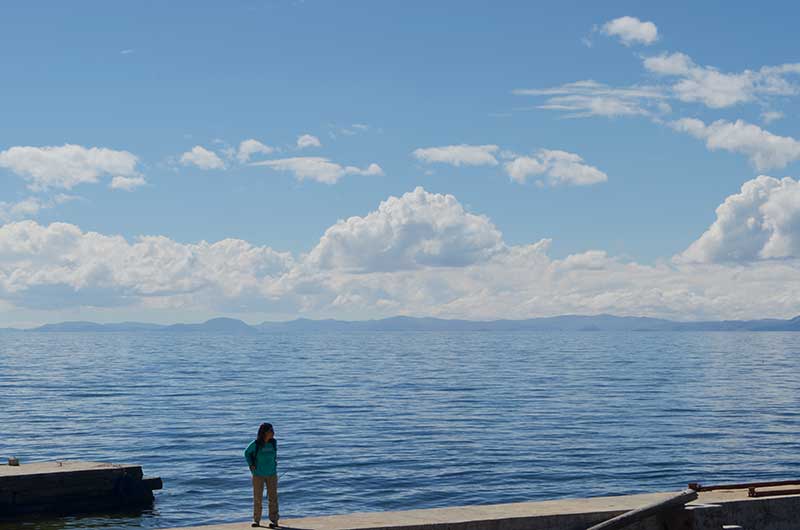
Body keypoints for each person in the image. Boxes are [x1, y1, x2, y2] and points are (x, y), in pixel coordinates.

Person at [244, 422, 279, 528]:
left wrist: (274, 464)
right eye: (270, 431)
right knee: (258, 497)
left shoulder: (273, 443)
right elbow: (246, 453)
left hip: (272, 474)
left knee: (273, 497)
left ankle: (274, 521)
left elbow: (274, 455)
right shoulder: (256, 444)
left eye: (273, 430)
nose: (273, 433)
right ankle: (256, 520)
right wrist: (251, 465)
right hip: (258, 474)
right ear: (264, 432)